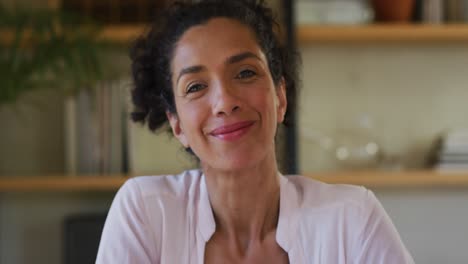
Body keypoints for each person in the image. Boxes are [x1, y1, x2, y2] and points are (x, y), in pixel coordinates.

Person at [96, 0, 415, 263]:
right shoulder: (146, 212)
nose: (224, 102)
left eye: (245, 72)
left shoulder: (352, 219)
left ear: (280, 97)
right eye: (195, 86)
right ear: (177, 123)